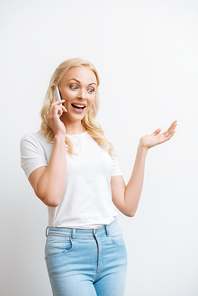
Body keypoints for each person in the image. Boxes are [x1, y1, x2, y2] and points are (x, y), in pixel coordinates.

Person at [20, 58, 177, 296]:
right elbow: (51, 196)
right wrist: (60, 135)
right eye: (74, 86)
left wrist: (143, 148)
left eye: (90, 89)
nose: (83, 95)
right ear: (56, 90)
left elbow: (128, 205)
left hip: (111, 244)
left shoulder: (101, 140)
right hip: (67, 251)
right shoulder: (34, 142)